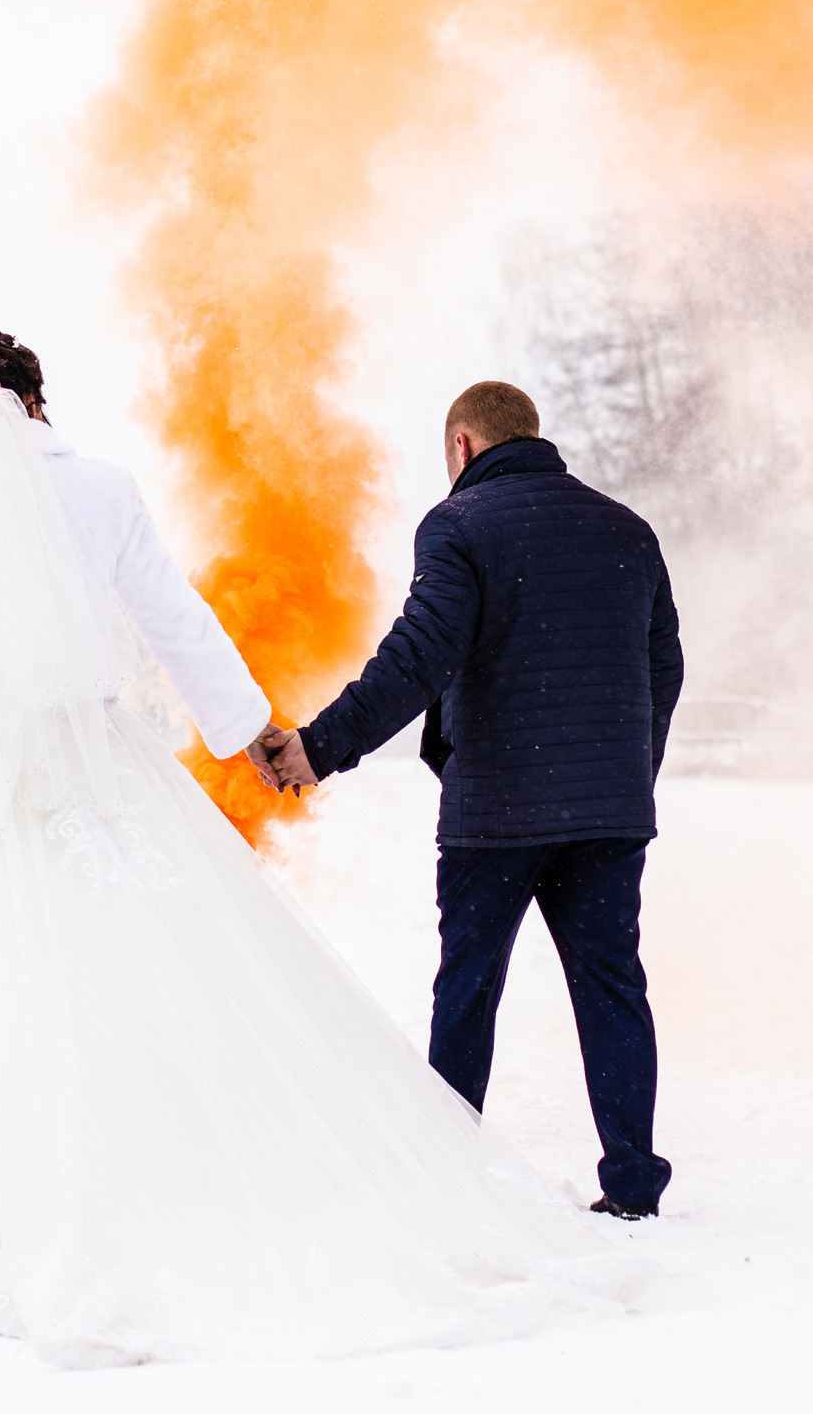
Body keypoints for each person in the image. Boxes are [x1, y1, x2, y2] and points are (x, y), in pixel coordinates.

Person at [0, 331, 648, 1367]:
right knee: (117, 959)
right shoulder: (102, 490)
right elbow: (175, 617)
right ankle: (157, 1166)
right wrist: (250, 728)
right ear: (36, 399)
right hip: (86, 753)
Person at [255, 381, 683, 1220]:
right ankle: (633, 1184)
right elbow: (664, 665)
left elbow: (417, 659)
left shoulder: (458, 525)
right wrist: (630, 768)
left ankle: (441, 1181)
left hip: (500, 810)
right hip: (608, 813)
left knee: (469, 989)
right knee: (612, 987)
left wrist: (316, 747)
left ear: (462, 445)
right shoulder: (627, 530)